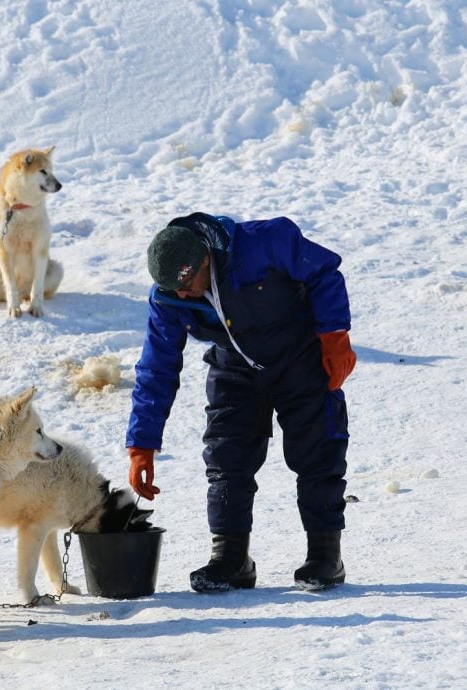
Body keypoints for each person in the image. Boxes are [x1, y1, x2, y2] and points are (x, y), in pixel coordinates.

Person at [125, 212, 356, 593]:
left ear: (204, 260)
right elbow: (156, 367)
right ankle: (230, 558)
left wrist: (334, 335)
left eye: (187, 284)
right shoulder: (169, 295)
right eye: (174, 290)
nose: (183, 295)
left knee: (317, 451)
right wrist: (141, 445)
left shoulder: (265, 242)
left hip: (300, 356)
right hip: (234, 362)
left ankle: (324, 555)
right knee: (226, 456)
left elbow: (324, 270)